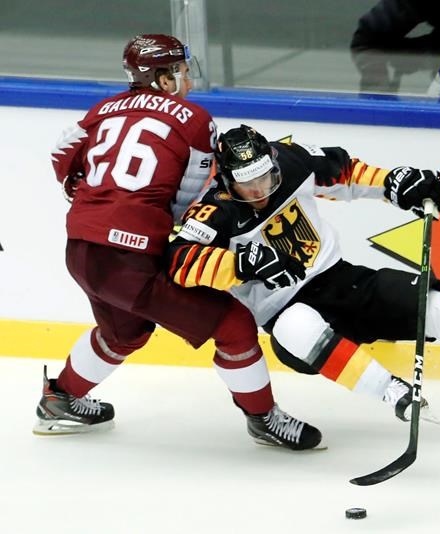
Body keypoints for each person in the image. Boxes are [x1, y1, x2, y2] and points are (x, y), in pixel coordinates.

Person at [165, 124, 440, 418]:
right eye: (247, 183)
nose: (260, 189)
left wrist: (395, 184)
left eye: (265, 177)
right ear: (225, 177)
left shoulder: (291, 159)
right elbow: (181, 262)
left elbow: (346, 173)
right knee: (295, 328)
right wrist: (239, 264)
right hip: (285, 311)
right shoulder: (213, 211)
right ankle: (393, 394)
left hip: (343, 281)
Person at [36, 35, 322, 451]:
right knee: (234, 325)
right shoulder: (195, 120)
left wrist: (89, 195)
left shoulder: (102, 110)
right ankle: (263, 418)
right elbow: (188, 203)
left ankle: (59, 399)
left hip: (81, 246)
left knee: (125, 333)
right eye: (183, 71)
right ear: (165, 79)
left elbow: (61, 155)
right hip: (128, 258)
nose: (188, 79)